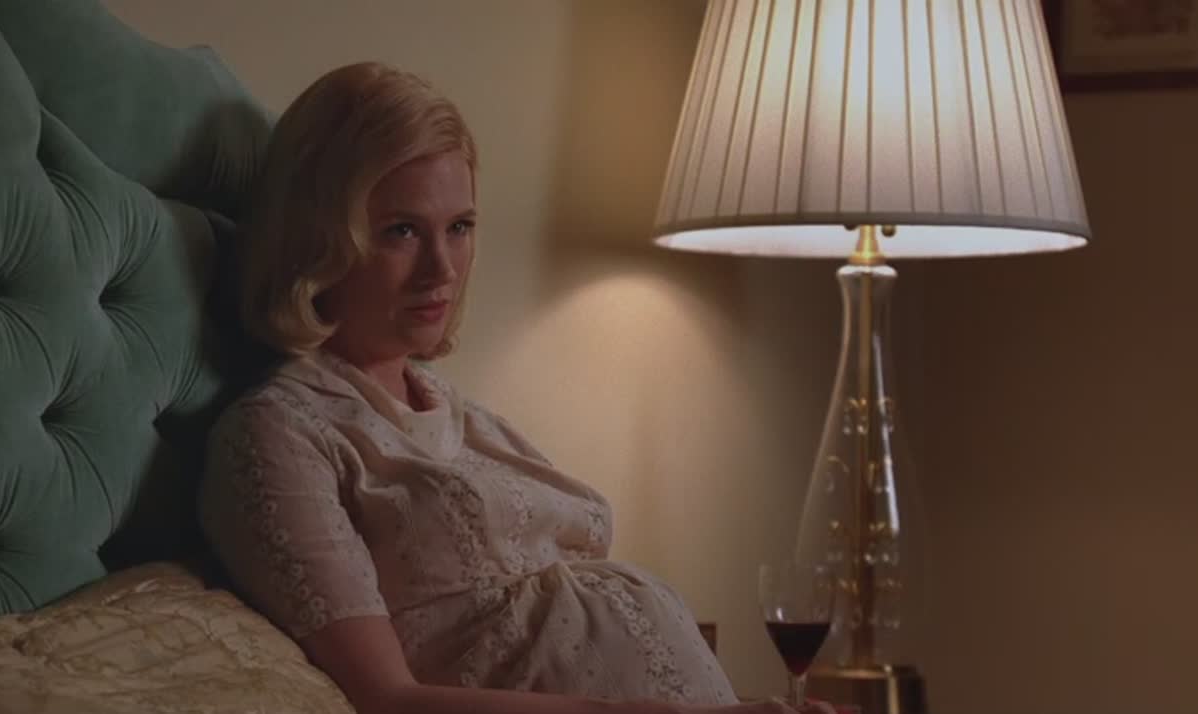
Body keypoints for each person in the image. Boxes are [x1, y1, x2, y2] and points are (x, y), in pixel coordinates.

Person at [199, 62, 831, 714]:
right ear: (316, 238)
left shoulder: (461, 415)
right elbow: (388, 700)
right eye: (402, 231)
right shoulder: (278, 433)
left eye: (459, 227)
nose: (441, 269)